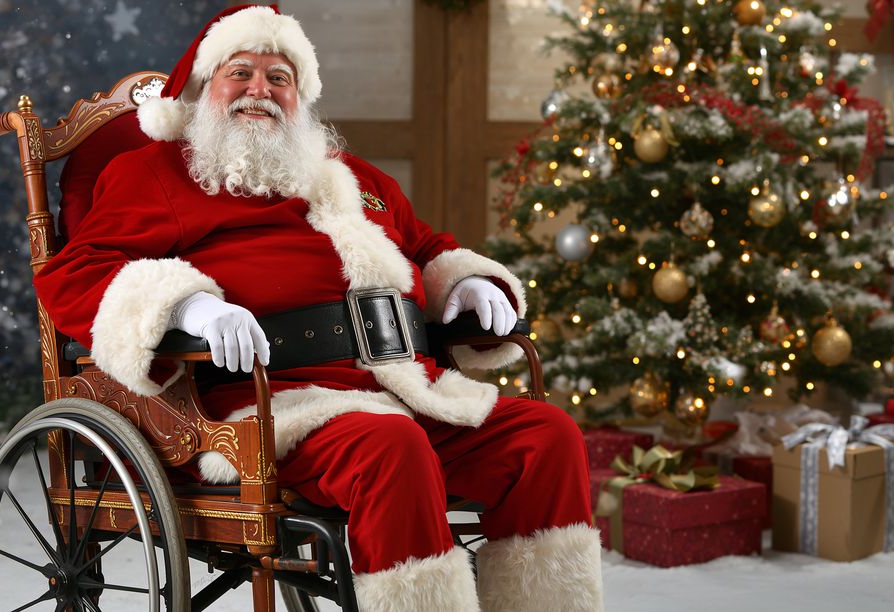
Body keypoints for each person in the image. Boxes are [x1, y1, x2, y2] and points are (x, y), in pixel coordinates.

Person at [34, 5, 603, 611]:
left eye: (280, 77)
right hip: (268, 409)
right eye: (242, 72)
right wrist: (186, 308)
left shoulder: (351, 177)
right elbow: (76, 273)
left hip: (403, 388)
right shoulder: (155, 174)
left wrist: (463, 284)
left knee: (547, 437)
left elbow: (425, 246)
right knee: (391, 447)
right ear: (205, 87)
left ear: (300, 94)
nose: (261, 91)